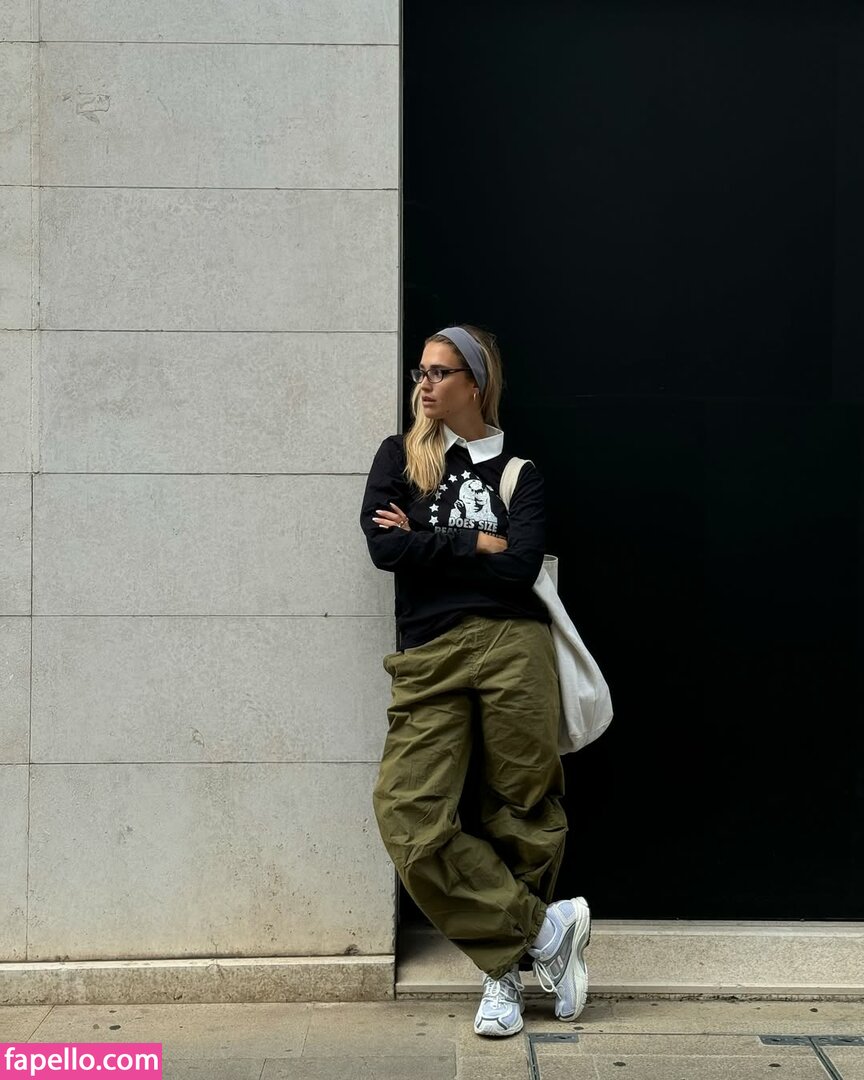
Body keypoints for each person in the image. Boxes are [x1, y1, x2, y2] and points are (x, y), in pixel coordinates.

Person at [359, 324, 591, 1038]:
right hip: (429, 652)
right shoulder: (400, 456)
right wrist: (475, 541)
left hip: (513, 644)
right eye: (420, 372)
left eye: (440, 372)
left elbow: (518, 569)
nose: (424, 385)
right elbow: (384, 547)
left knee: (521, 805)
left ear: (476, 384)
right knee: (409, 814)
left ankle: (503, 977)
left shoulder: (520, 471)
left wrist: (431, 542)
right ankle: (545, 931)